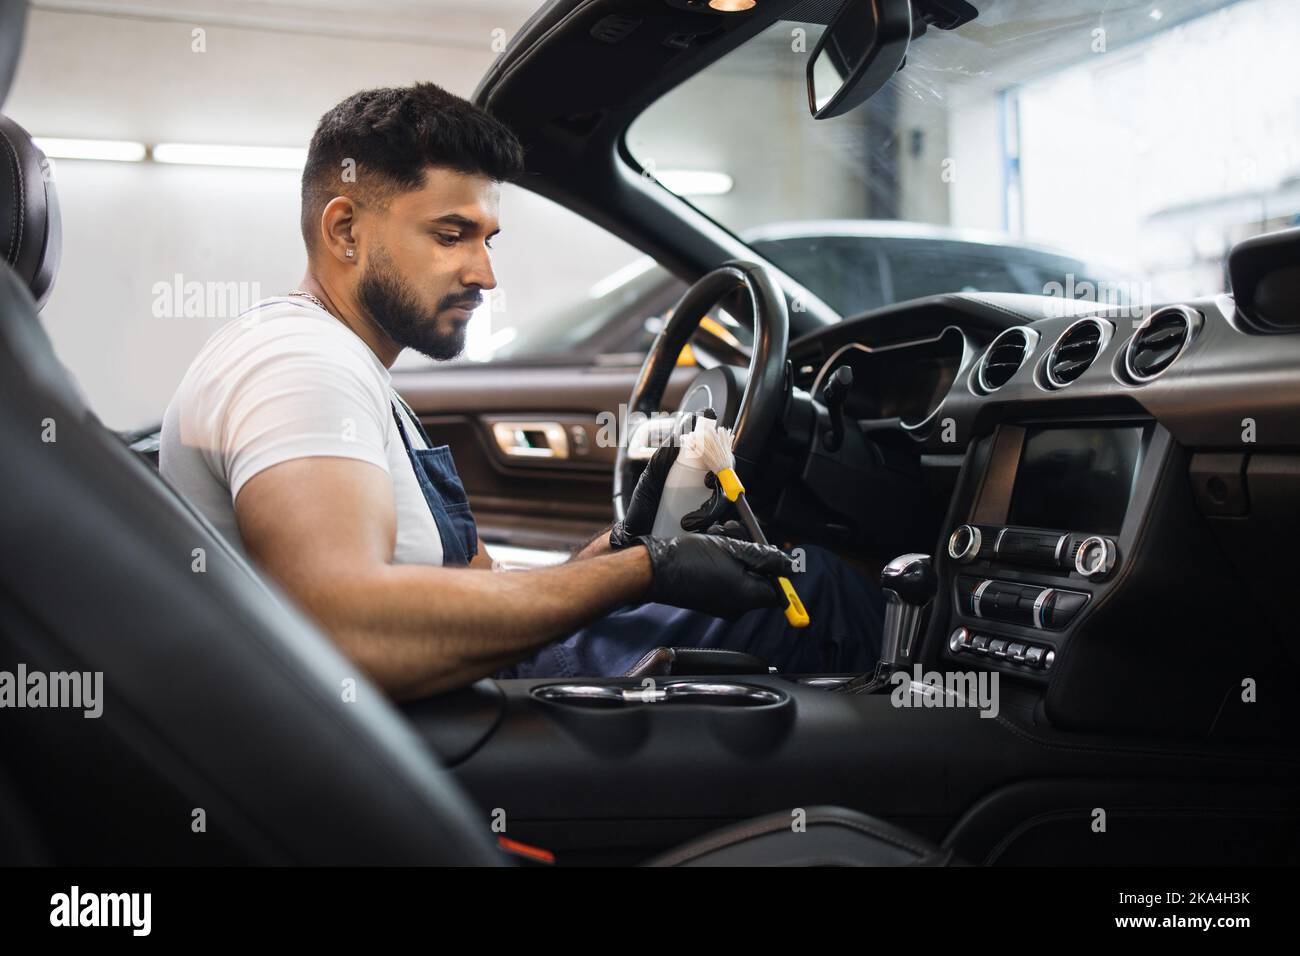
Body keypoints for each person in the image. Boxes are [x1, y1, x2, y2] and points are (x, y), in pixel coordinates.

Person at [160, 82, 882, 699]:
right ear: (345, 229)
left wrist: (622, 548)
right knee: (820, 592)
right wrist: (646, 571)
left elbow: (470, 588)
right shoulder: (297, 364)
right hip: (439, 742)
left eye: (487, 239)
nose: (485, 273)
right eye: (451, 235)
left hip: (478, 688)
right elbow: (348, 626)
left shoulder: (343, 366)